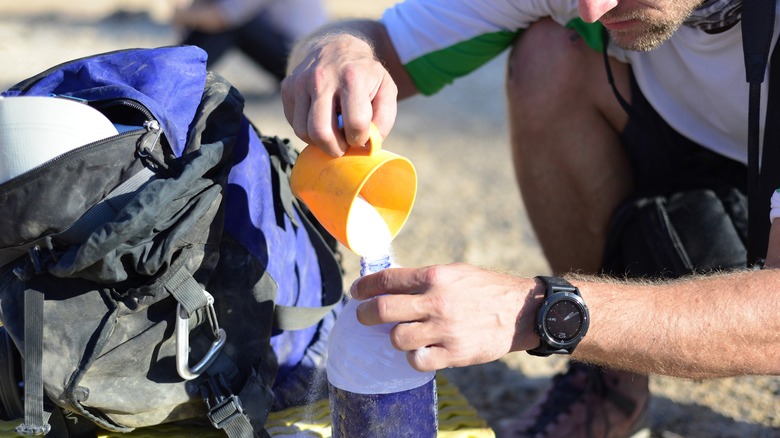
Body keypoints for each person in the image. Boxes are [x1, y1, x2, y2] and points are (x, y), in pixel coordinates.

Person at [281, 0, 780, 437]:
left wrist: (541, 312)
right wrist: (339, 52)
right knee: (548, 53)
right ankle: (608, 381)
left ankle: (590, 339)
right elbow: (378, 38)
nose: (592, 10)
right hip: (700, 180)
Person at [172, 0, 328, 82]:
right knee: (223, 18)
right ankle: (173, 68)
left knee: (232, 24)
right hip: (288, 52)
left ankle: (176, 72)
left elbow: (223, 18)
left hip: (302, 61)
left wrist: (180, 15)